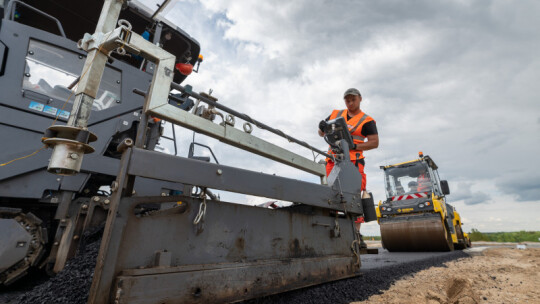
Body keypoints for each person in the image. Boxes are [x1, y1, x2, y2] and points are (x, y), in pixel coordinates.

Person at [318, 88, 379, 248]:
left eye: (353, 99)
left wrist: (355, 146)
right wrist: (321, 127)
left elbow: (374, 142)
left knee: (354, 196)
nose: (350, 103)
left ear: (360, 98)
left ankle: (356, 234)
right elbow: (320, 132)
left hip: (354, 162)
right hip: (333, 160)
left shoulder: (367, 121)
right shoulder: (335, 114)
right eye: (347, 100)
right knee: (330, 194)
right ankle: (332, 231)